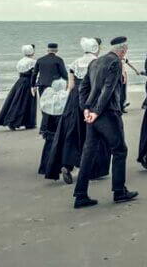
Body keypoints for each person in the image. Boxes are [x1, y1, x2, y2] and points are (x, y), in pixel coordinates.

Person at [73, 36, 137, 209]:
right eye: (125, 51)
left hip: (93, 114)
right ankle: (119, 191)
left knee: (88, 152)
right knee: (119, 149)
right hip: (107, 113)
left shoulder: (95, 62)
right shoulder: (115, 63)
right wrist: (95, 111)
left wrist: (86, 108)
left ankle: (80, 194)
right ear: (122, 51)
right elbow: (107, 89)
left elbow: (83, 87)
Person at [44, 38, 108, 185]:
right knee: (93, 134)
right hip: (92, 99)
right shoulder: (100, 62)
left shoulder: (74, 63)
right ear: (95, 48)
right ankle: (92, 169)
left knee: (72, 133)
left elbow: (71, 86)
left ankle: (67, 165)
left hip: (74, 100)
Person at [0, 44, 37, 130]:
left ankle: (16, 121)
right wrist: (34, 84)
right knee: (27, 101)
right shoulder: (32, 61)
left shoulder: (20, 61)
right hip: (28, 82)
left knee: (18, 101)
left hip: (20, 82)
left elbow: (20, 73)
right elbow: (34, 74)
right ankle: (26, 122)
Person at [33, 43, 68, 133]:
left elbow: (34, 74)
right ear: (56, 50)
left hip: (41, 85)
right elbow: (64, 74)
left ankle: (44, 127)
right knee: (54, 105)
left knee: (44, 105)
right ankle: (52, 127)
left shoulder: (40, 60)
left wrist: (32, 85)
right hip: (54, 86)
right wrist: (69, 82)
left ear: (47, 50)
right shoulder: (59, 60)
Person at [37, 78, 68, 174]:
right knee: (61, 146)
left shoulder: (47, 95)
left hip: (48, 123)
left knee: (48, 145)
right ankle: (60, 166)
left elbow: (43, 108)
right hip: (60, 123)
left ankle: (45, 167)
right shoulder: (64, 96)